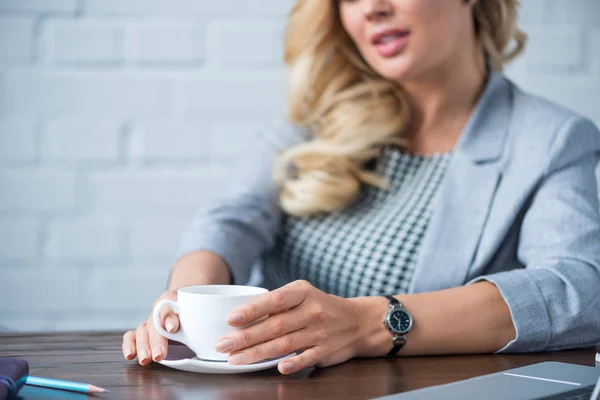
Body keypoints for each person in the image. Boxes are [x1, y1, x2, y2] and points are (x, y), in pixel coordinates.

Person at [122, 0, 600, 375]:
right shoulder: (317, 121)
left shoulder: (551, 139)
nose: (371, 6)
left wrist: (369, 324)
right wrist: (184, 302)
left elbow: (580, 290)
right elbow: (230, 219)